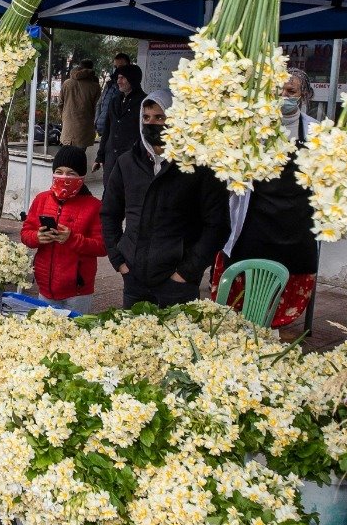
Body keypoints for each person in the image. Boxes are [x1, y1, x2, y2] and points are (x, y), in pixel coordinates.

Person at [213, 68, 320, 334]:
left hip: (295, 226)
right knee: (243, 292)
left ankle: (269, 337)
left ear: (304, 95)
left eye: (291, 91)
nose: (283, 96)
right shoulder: (251, 129)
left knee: (284, 291)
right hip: (254, 223)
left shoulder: (317, 133)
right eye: (277, 91)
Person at [100, 89, 229, 308]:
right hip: (134, 279)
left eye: (160, 118)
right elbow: (109, 213)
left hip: (177, 283)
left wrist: (187, 271)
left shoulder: (198, 166)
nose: (151, 124)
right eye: (146, 118)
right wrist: (119, 260)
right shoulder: (127, 163)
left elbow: (217, 225)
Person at [21, 145, 105, 313]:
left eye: (71, 173)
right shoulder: (42, 199)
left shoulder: (94, 206)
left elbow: (102, 246)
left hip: (78, 291)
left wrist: (72, 239)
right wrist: (37, 237)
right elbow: (25, 233)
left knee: (76, 334)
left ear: (82, 176)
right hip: (45, 288)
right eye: (59, 171)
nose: (64, 177)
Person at [94, 62, 146, 180]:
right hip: (111, 158)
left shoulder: (144, 102)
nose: (118, 81)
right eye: (118, 78)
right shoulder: (115, 101)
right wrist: (100, 156)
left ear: (132, 79)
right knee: (108, 192)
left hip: (132, 158)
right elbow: (107, 130)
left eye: (122, 78)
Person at [59, 58, 101, 150]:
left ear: (79, 68)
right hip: (85, 127)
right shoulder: (95, 86)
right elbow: (97, 108)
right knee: (80, 157)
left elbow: (60, 104)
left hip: (68, 126)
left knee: (66, 156)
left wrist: (64, 117)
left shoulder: (67, 83)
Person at [92, 50, 133, 135]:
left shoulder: (129, 86)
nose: (117, 69)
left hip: (117, 131)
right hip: (103, 129)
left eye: (121, 66)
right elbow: (100, 103)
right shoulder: (109, 84)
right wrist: (96, 121)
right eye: (115, 67)